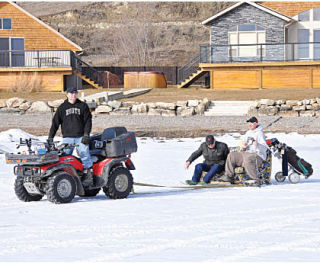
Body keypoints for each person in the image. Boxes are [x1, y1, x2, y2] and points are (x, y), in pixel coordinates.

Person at [48, 86, 93, 185]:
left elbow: (88, 122)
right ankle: (67, 176)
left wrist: (86, 135)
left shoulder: (83, 106)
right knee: (64, 157)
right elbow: (55, 123)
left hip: (80, 137)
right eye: (71, 93)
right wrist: (50, 137)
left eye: (75, 93)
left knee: (84, 153)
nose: (73, 95)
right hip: (67, 138)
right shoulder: (62, 107)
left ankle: (88, 174)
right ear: (67, 94)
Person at [219, 116, 268, 184]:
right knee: (231, 155)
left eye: (252, 123)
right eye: (249, 123)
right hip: (245, 153)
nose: (249, 124)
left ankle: (256, 179)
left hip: (257, 155)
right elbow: (242, 143)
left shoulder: (260, 133)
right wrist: (243, 146)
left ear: (256, 123)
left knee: (248, 159)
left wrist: (257, 144)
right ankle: (229, 176)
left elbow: (265, 147)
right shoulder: (248, 133)